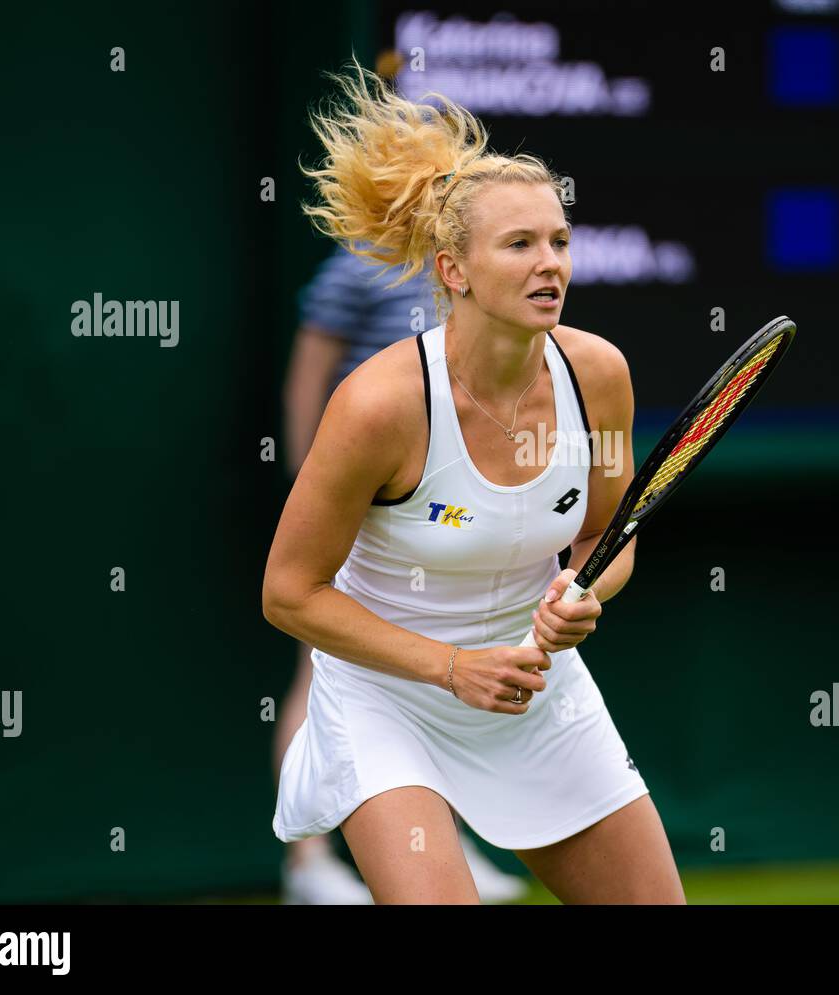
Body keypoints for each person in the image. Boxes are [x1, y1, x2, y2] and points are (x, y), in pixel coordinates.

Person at [263, 61, 685, 903]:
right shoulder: (380, 405)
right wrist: (452, 667)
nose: (550, 264)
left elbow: (608, 532)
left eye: (560, 241)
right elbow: (288, 592)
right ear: (454, 272)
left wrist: (583, 590)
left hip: (535, 691)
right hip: (390, 698)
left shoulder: (599, 376)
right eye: (520, 244)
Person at [275, 244, 530, 903]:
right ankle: (309, 863)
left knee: (444, 674)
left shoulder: (478, 269)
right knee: (322, 668)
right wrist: (318, 491)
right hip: (361, 498)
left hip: (439, 507)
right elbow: (310, 373)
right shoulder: (357, 266)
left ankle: (437, 843)